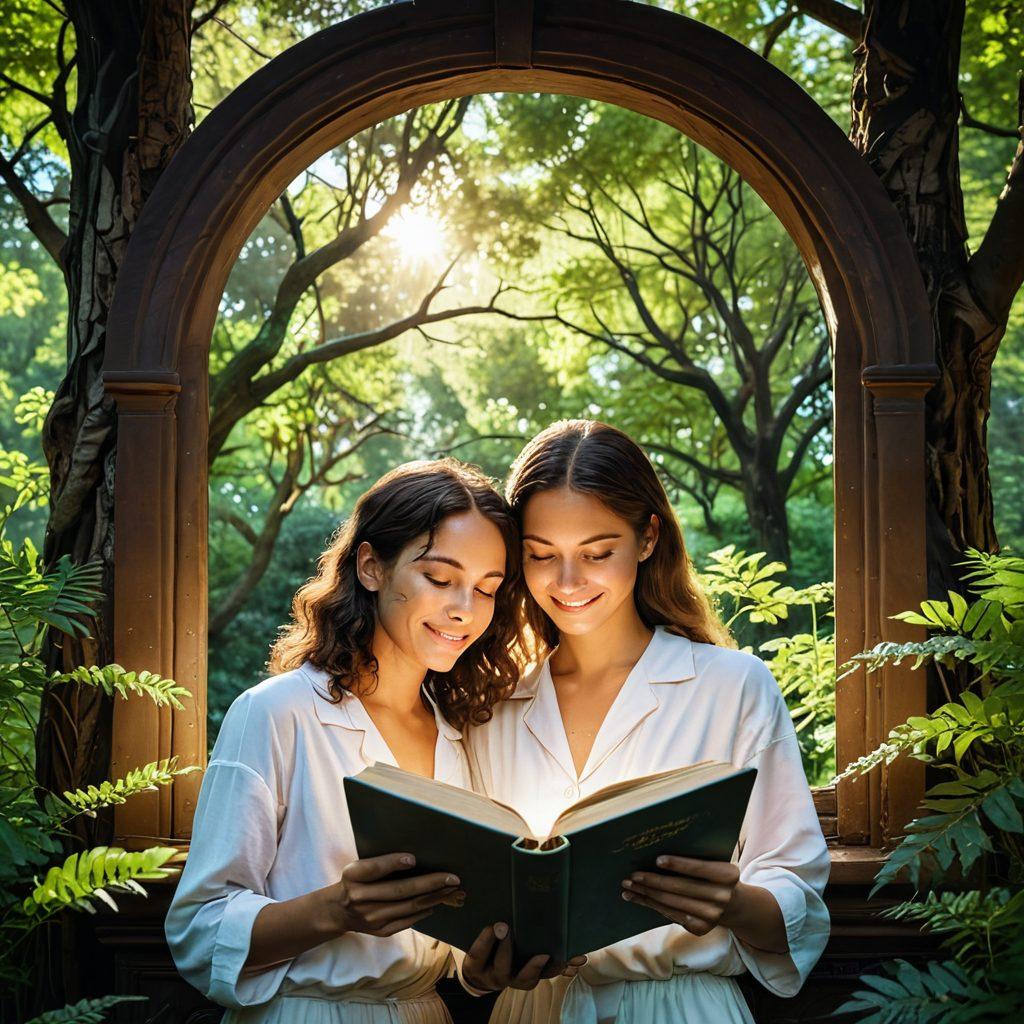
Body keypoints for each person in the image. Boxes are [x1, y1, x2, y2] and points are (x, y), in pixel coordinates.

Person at [166, 459, 572, 1024]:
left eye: (487, 589)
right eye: (439, 578)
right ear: (371, 566)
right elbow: (198, 931)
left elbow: (454, 956)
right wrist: (335, 909)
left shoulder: (464, 735)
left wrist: (484, 971)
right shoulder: (277, 714)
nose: (464, 609)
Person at [466, 421, 831, 1024]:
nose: (567, 582)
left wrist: (729, 902)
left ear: (647, 536)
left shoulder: (732, 686)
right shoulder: (493, 705)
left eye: (597, 552)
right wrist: (479, 969)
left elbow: (795, 886)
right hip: (530, 1009)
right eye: (540, 556)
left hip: (679, 1006)